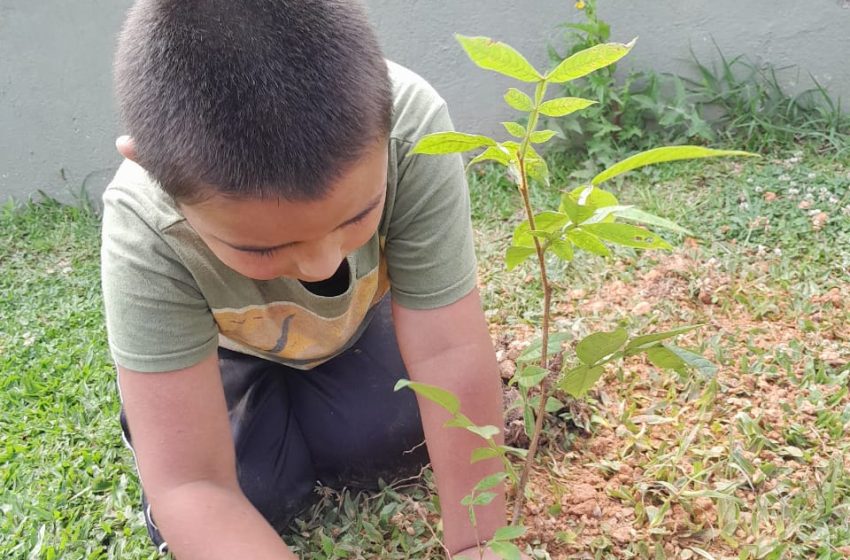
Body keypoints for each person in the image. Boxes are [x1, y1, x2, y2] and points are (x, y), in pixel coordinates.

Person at [102, 1, 519, 558]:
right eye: (265, 246)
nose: (324, 265)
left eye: (357, 216)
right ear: (153, 171)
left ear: (387, 114)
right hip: (226, 357)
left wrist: (477, 543)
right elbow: (191, 482)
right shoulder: (143, 222)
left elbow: (449, 349)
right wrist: (188, 489)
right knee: (250, 492)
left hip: (346, 333)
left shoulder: (414, 128)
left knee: (395, 432)